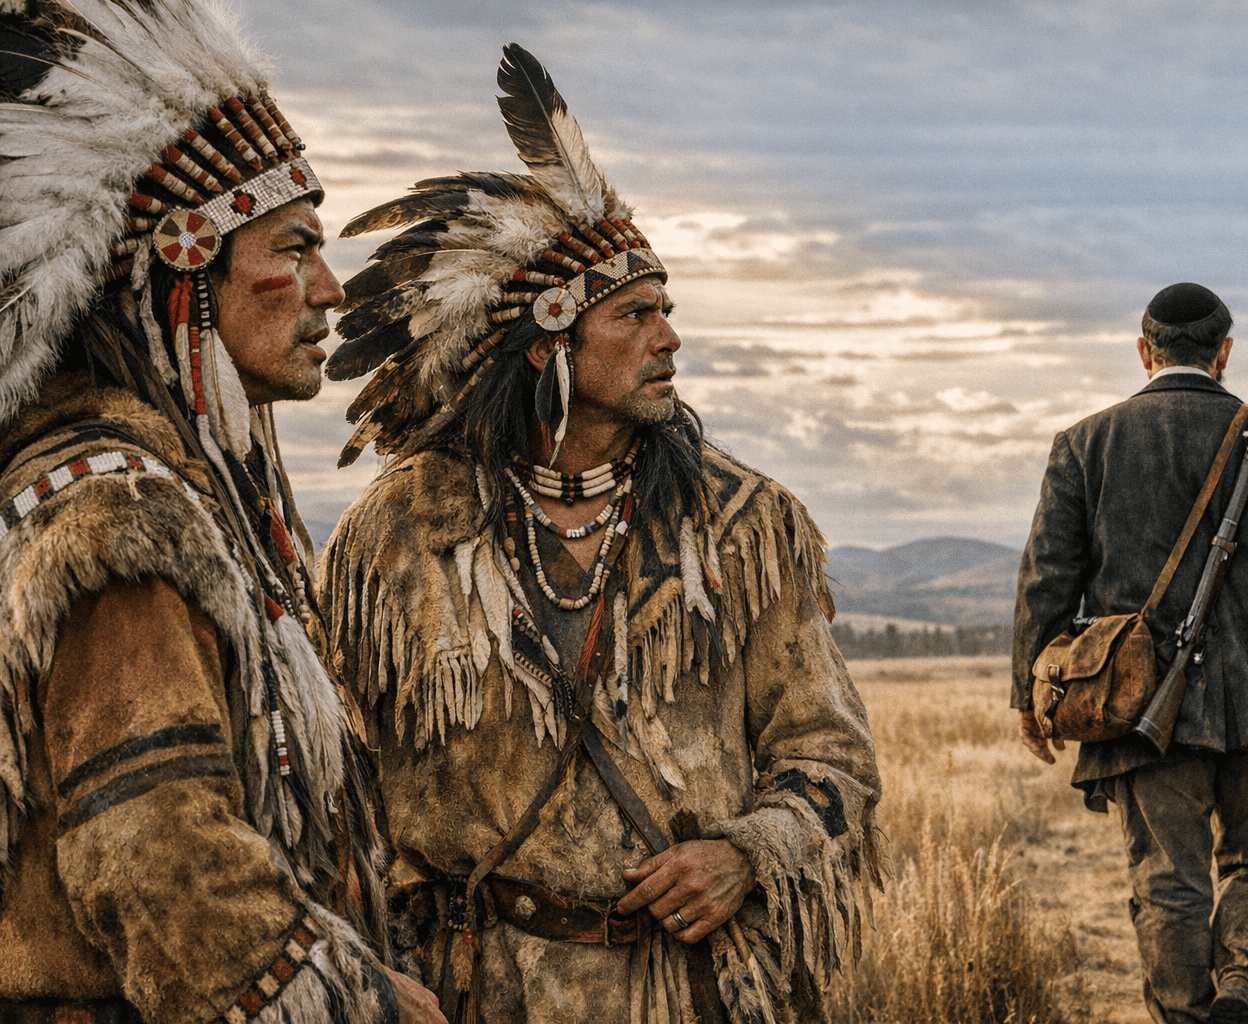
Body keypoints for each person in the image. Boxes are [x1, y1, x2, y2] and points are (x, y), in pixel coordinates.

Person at [316, 44, 883, 1024]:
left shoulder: (745, 527)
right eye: (637, 314)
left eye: (668, 310)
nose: (670, 338)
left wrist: (748, 851)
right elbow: (341, 788)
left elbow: (834, 758)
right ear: (550, 341)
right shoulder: (399, 534)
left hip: (698, 990)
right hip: (477, 989)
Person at [0, 3, 446, 1022]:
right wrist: (357, 1002)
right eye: (295, 247)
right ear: (186, 262)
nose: (330, 289)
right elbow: (159, 865)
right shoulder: (114, 516)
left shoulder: (170, 491)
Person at [1011, 283, 1248, 1024]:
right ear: (1225, 354)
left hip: (1139, 701)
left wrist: (1030, 692)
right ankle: (1242, 990)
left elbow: (1047, 578)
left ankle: (1186, 1015)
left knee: (1168, 879)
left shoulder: (1084, 443)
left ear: (1144, 352)